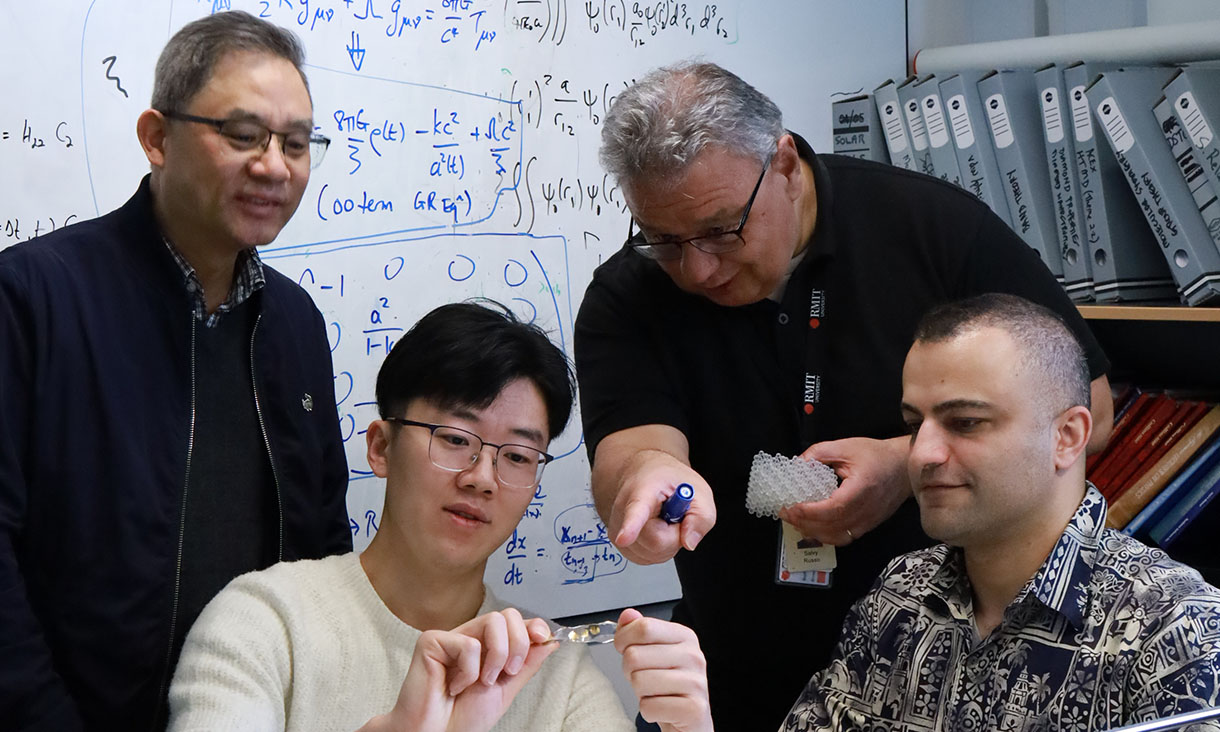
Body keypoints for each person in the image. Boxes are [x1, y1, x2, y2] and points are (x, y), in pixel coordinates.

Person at [573, 61, 1114, 728]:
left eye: (721, 230)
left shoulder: (929, 227)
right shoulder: (627, 296)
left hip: (944, 674)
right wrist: (647, 478)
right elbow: (633, 448)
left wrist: (904, 464)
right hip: (738, 678)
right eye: (663, 240)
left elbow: (1088, 406)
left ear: (785, 165)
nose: (698, 268)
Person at [0, 12, 350, 731]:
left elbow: (323, 549)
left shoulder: (295, 323)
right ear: (157, 138)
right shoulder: (34, 297)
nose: (274, 167)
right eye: (243, 136)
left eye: (296, 143)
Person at [166, 301, 714, 732]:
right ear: (380, 448)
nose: (481, 476)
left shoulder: (554, 670)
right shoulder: (265, 624)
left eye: (518, 456)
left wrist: (689, 730)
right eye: (454, 439)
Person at [783, 293, 1220, 731]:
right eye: (915, 426)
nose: (921, 455)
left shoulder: (1177, 628)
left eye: (966, 422)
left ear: (1067, 436)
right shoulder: (899, 594)